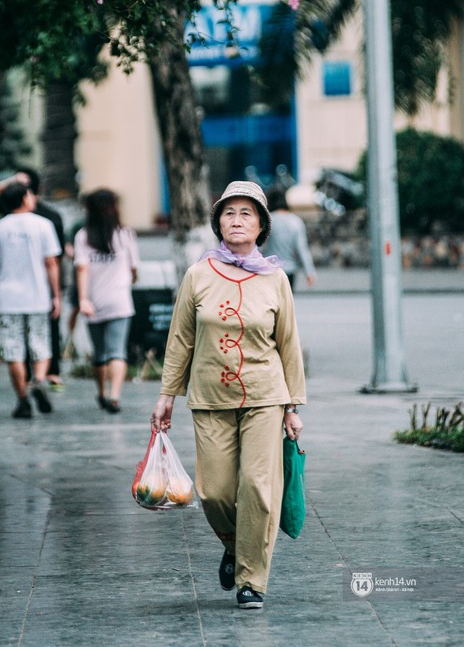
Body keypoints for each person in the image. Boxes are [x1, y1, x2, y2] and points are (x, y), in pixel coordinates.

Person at [151, 181, 305, 610]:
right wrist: (167, 394)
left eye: (246, 213)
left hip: (265, 396)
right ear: (218, 222)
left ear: (261, 225)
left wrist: (292, 406)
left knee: (257, 488)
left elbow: (288, 343)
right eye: (228, 213)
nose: (236, 221)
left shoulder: (275, 278)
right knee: (215, 491)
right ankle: (235, 545)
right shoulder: (198, 274)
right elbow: (180, 339)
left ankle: (252, 579)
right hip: (209, 396)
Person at [0, 182, 62, 418]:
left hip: (8, 299)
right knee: (41, 344)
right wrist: (56, 295)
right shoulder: (43, 225)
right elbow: (51, 263)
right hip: (38, 296)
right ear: (25, 198)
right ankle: (37, 380)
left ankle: (23, 400)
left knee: (13, 350)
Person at [74, 189, 139, 415]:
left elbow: (82, 269)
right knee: (117, 351)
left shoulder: (83, 236)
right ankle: (115, 396)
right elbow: (134, 269)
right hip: (120, 301)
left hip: (94, 302)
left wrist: (83, 300)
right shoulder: (125, 234)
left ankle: (102, 392)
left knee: (100, 352)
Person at [261, 186, 316, 291]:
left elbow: (259, 246)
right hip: (290, 270)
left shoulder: (267, 221)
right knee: (287, 304)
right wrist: (309, 271)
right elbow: (302, 249)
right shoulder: (296, 221)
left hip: (269, 269)